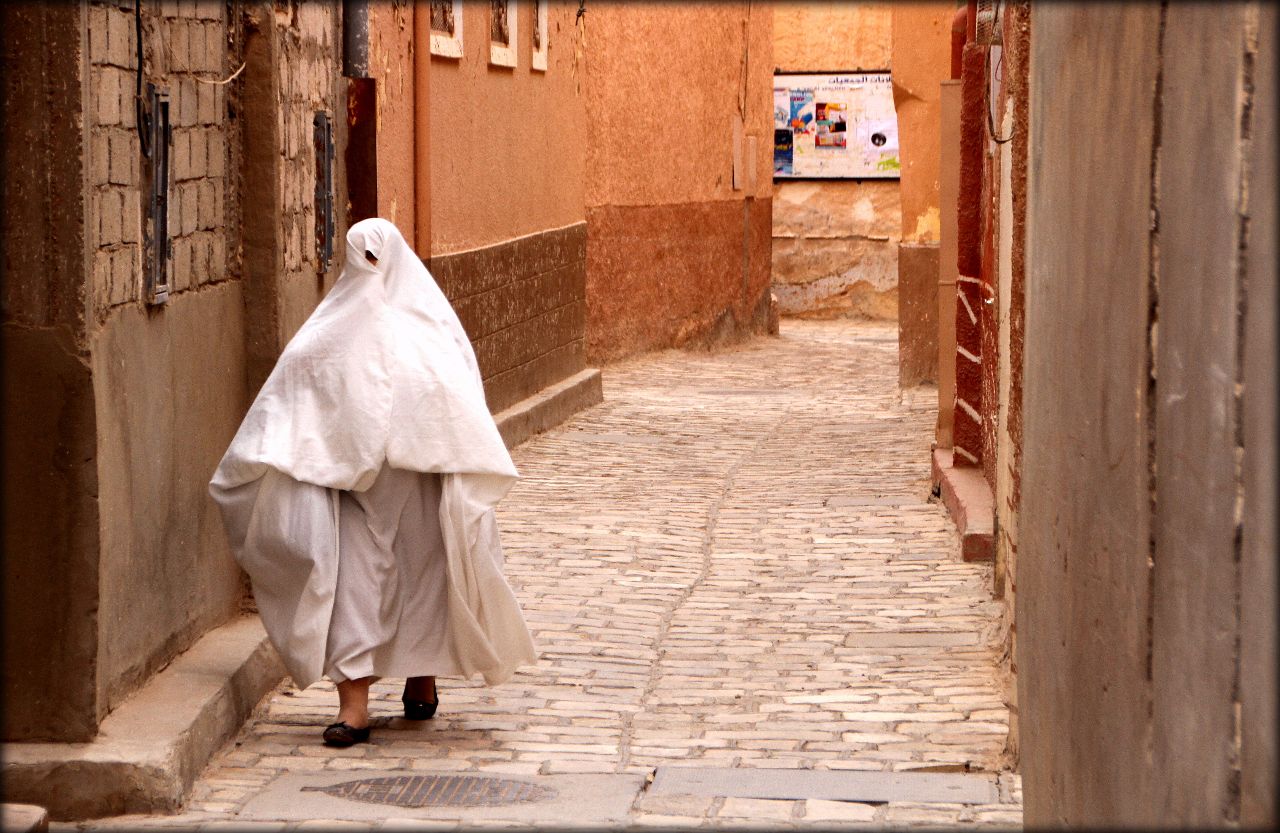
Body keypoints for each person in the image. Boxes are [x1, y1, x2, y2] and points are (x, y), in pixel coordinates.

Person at [209, 218, 537, 747]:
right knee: (352, 590)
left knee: (428, 585)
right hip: (353, 492)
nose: (368, 269)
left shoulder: (430, 328)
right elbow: (295, 388)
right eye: (361, 257)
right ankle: (354, 709)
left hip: (422, 486)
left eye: (374, 258)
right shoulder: (328, 331)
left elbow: (457, 395)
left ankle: (421, 680)